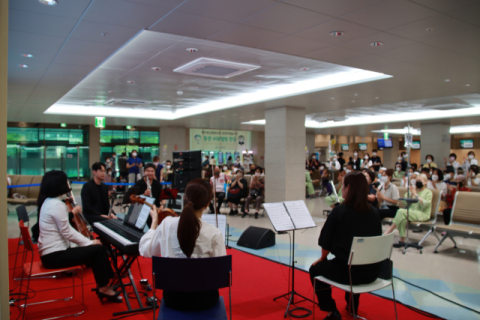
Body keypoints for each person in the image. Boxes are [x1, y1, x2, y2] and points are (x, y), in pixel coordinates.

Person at [139, 179, 226, 311]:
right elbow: (220, 274)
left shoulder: (167, 224)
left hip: (172, 298)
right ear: (207, 204)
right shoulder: (214, 233)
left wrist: (154, 222)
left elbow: (146, 250)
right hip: (205, 300)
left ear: (184, 198)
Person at [37, 171, 120, 303]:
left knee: (95, 249)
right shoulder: (57, 205)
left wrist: (88, 243)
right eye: (66, 180)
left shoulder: (49, 201)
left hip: (50, 253)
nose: (67, 183)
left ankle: (103, 284)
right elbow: (67, 233)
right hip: (54, 255)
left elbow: (67, 231)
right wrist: (89, 242)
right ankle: (104, 286)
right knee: (97, 249)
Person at [309, 172, 382, 319]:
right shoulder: (374, 213)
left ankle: (331, 310)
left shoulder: (339, 212)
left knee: (315, 270)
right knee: (355, 259)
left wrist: (323, 258)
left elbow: (326, 243)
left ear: (348, 188)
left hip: (350, 274)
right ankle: (352, 304)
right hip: (373, 271)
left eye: (342, 185)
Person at [384, 175, 432, 246]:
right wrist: (411, 193)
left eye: (420, 180)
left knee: (400, 211)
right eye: (417, 181)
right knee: (403, 220)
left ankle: (389, 231)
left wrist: (416, 195)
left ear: (425, 182)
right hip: (411, 212)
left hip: (423, 214)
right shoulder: (414, 191)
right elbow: (404, 202)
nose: (418, 182)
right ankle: (402, 241)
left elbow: (425, 204)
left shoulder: (428, 192)